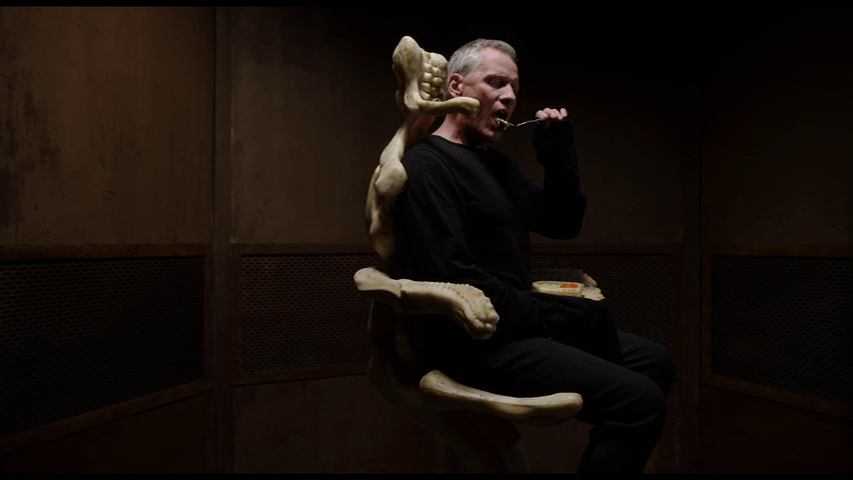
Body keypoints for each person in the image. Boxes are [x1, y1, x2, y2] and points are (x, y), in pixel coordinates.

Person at [394, 39, 676, 474]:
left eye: (514, 87)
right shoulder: (428, 165)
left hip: (514, 327)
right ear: (456, 86)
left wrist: (558, 154)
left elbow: (562, 222)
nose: (508, 96)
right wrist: (553, 316)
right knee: (639, 402)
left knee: (656, 363)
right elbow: (452, 274)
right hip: (472, 342)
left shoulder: (497, 165)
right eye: (495, 82)